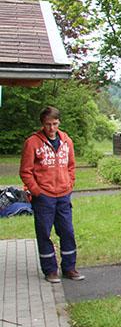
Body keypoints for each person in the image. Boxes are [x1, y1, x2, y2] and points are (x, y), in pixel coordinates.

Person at [19, 106, 83, 283]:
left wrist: (69, 183)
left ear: (59, 122)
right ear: (42, 124)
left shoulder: (66, 141)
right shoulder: (32, 142)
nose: (52, 128)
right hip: (43, 196)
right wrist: (36, 190)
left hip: (63, 194)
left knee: (67, 231)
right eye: (48, 124)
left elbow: (71, 165)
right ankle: (50, 270)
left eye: (55, 124)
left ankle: (69, 268)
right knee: (44, 233)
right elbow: (25, 171)